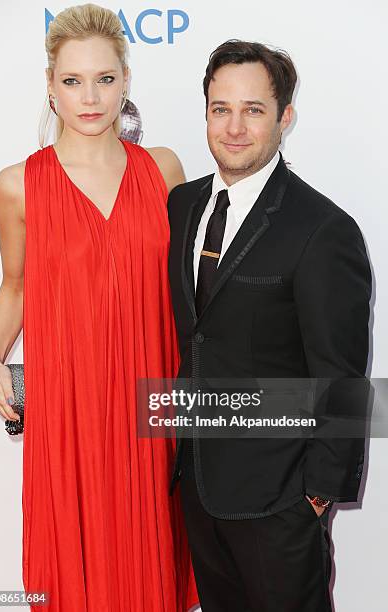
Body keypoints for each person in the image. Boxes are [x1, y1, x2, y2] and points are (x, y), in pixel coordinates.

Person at [0, 4, 199, 611]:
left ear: (125, 80)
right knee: (74, 565)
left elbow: (187, 290)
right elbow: (15, 286)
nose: (90, 97)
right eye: (73, 81)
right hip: (68, 407)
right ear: (50, 87)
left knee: (150, 558)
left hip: (151, 406)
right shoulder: (17, 185)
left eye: (105, 79)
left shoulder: (163, 170)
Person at [167, 40, 371, 611]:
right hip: (198, 488)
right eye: (220, 108)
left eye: (253, 110)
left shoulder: (322, 228)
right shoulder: (182, 207)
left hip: (280, 500)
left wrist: (316, 496)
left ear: (285, 117)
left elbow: (343, 375)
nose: (234, 127)